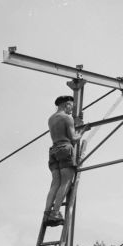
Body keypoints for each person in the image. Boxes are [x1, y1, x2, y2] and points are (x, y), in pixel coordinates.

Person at [44, 95, 89, 226]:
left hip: (54, 150)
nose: (72, 109)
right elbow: (74, 138)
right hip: (65, 148)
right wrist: (82, 130)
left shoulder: (51, 119)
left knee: (55, 183)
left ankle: (47, 212)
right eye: (71, 106)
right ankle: (56, 213)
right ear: (66, 105)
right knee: (66, 181)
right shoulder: (67, 118)